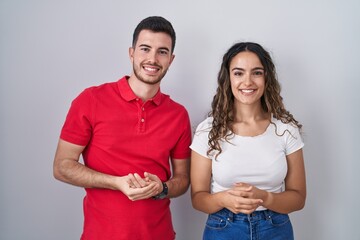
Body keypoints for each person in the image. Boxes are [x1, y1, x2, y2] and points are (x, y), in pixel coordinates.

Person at [53, 16, 192, 240]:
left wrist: (162, 188)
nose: (152, 59)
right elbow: (62, 167)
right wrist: (116, 183)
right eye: (145, 49)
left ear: (171, 59)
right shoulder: (91, 100)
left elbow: (183, 180)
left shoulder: (178, 115)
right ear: (131, 53)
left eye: (162, 52)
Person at [190, 42, 306, 240]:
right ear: (228, 79)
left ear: (266, 78)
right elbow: (198, 198)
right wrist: (222, 199)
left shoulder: (286, 130)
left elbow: (298, 197)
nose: (248, 81)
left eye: (257, 72)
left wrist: (267, 197)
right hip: (223, 228)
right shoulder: (208, 130)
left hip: (275, 228)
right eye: (238, 73)